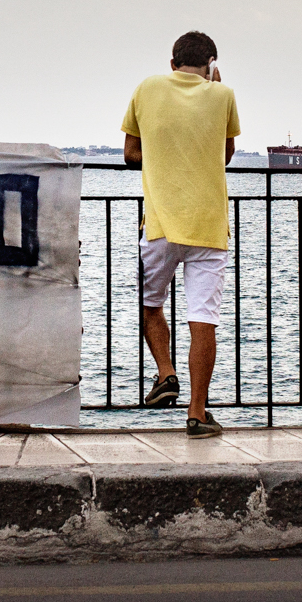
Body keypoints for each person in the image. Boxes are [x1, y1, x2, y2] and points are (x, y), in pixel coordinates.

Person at [120, 30, 239, 437]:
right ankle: (198, 413)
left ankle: (166, 373)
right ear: (210, 65)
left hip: (159, 225)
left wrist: (163, 153)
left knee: (150, 303)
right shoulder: (223, 95)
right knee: (203, 320)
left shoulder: (146, 88)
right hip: (208, 225)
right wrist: (213, 91)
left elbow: (130, 154)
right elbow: (223, 156)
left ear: (172, 63)